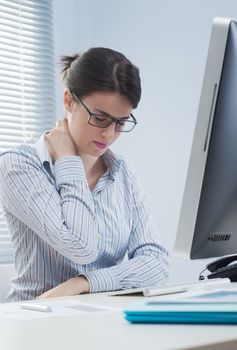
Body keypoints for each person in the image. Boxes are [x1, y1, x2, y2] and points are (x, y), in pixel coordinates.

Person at [0, 47, 169, 301]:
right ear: (69, 100)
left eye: (121, 122)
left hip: (102, 317)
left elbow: (156, 263)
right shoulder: (19, 166)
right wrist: (68, 162)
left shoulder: (122, 173)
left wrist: (85, 283)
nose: (109, 134)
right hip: (35, 321)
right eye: (100, 118)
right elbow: (81, 247)